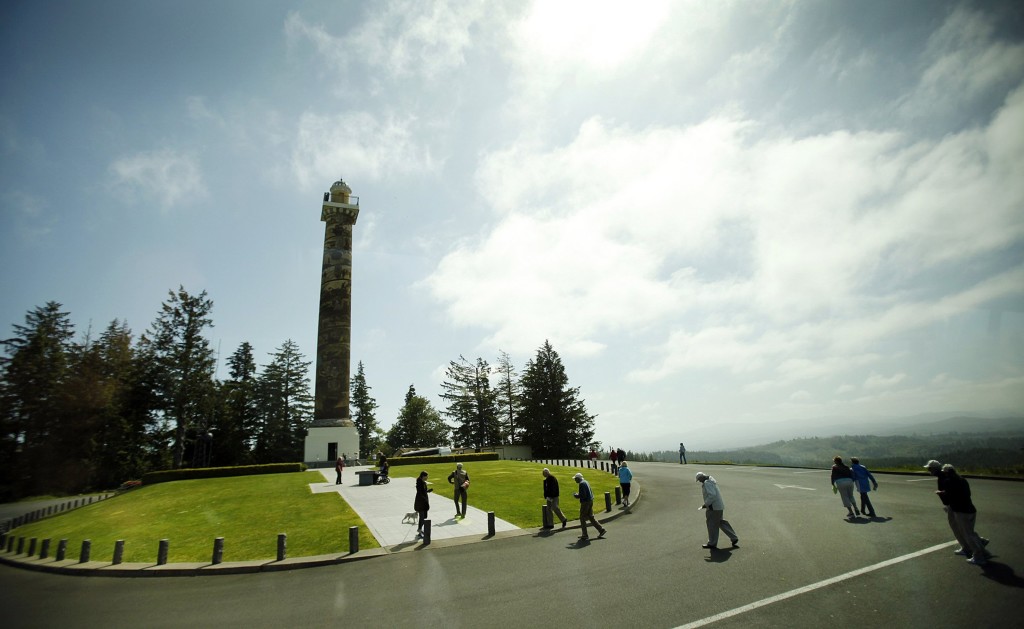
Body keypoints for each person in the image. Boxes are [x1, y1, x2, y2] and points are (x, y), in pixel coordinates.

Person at [939, 463, 992, 565]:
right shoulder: (962, 480)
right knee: (971, 532)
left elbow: (951, 496)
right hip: (971, 509)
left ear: (946, 473)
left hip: (961, 511)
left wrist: (943, 494)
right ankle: (985, 552)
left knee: (968, 535)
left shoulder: (948, 481)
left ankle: (978, 557)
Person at [925, 459, 974, 556]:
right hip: (952, 505)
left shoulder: (944, 477)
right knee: (961, 527)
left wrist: (947, 501)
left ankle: (968, 547)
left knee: (957, 527)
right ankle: (973, 544)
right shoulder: (942, 476)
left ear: (935, 469)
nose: (929, 471)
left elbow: (951, 491)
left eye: (930, 469)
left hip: (953, 506)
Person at [696, 472, 738, 549]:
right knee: (720, 522)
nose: (699, 481)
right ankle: (734, 537)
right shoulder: (711, 480)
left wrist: (706, 504)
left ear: (702, 477)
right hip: (718, 506)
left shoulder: (707, 483)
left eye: (699, 479)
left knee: (711, 524)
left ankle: (712, 543)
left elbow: (712, 495)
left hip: (713, 508)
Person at [572, 472, 606, 540]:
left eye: (575, 479)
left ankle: (585, 534)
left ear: (578, 478)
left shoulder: (581, 484)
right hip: (590, 501)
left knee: (582, 518)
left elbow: (583, 495)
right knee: (591, 517)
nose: (575, 480)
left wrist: (577, 496)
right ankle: (601, 529)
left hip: (585, 502)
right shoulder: (585, 482)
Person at [414, 470, 433, 539]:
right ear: (423, 476)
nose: (427, 478)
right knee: (422, 517)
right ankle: (419, 531)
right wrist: (424, 498)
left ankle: (420, 529)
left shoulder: (423, 482)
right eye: (426, 477)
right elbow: (420, 492)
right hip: (420, 502)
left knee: (423, 517)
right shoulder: (419, 483)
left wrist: (428, 491)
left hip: (424, 501)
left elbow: (423, 491)